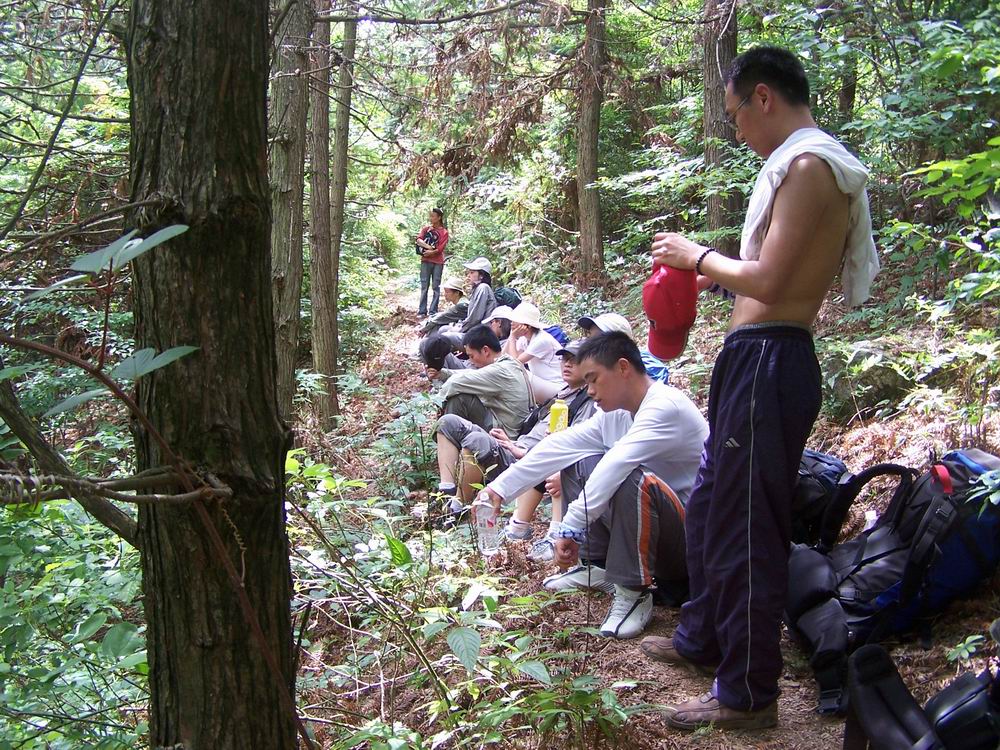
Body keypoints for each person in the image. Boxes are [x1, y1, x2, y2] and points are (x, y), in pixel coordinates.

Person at [643, 46, 879, 732]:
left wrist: (698, 256)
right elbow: (766, 271)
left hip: (771, 362)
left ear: (764, 97)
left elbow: (774, 282)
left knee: (748, 528)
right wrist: (710, 277)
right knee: (714, 510)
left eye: (736, 114)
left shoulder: (810, 167)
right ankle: (703, 638)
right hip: (751, 360)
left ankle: (748, 694)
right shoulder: (800, 165)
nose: (738, 129)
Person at [479, 332, 708, 640]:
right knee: (580, 460)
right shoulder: (615, 414)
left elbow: (617, 464)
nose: (589, 390)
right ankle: (598, 565)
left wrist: (570, 527)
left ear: (623, 368)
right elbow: (561, 446)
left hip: (691, 542)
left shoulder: (665, 407)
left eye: (594, 379)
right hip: (659, 532)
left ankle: (632, 589)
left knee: (629, 476)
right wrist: (499, 489)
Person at [433, 339, 595, 518]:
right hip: (516, 447)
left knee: (475, 441)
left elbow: (576, 448)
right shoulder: (564, 393)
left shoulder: (587, 402)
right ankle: (446, 491)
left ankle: (456, 508)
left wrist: (521, 451)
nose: (567, 364)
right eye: (564, 359)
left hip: (529, 462)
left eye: (574, 360)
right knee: (448, 422)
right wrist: (511, 442)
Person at [426, 324, 532, 439]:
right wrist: (443, 374)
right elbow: (471, 375)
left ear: (485, 350)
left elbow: (455, 383)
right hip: (511, 426)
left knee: (459, 399)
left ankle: (444, 440)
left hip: (506, 434)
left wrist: (436, 402)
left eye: (471, 356)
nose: (470, 361)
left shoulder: (499, 370)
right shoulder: (507, 364)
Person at [577, 312, 671, 383]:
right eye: (591, 338)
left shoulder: (645, 366)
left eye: (598, 339)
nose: (591, 345)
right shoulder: (605, 369)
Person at [502, 302, 565, 402]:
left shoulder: (542, 340)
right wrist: (511, 336)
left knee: (516, 373)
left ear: (526, 325)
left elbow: (514, 364)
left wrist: (513, 337)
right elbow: (503, 357)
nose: (511, 323)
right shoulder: (524, 339)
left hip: (557, 388)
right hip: (544, 385)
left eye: (515, 320)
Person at [416, 207, 449, 317]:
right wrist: (429, 247)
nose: (431, 218)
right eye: (430, 216)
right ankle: (422, 311)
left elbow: (440, 248)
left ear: (439, 217)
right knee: (424, 286)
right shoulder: (426, 229)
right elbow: (419, 240)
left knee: (436, 286)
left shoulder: (444, 232)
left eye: (433, 216)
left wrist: (432, 252)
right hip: (425, 260)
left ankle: (433, 311)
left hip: (438, 262)